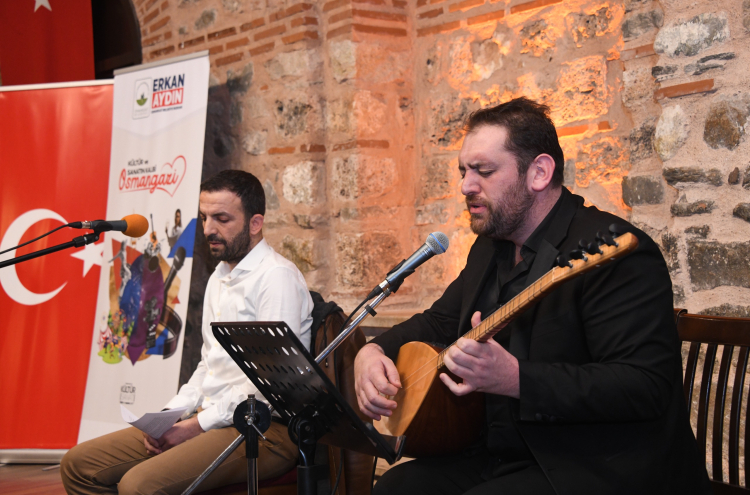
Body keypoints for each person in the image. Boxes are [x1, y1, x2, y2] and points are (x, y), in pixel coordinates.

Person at [354, 98, 711, 495]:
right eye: (463, 171)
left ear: (539, 172)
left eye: (483, 171)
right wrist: (374, 351)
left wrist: (515, 379)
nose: (465, 186)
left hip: (597, 463)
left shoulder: (615, 252)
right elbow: (440, 321)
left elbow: (644, 386)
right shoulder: (491, 247)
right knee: (397, 487)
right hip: (503, 456)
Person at [61, 170, 313, 494]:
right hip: (211, 415)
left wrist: (196, 426)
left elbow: (270, 384)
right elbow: (209, 364)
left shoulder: (276, 278)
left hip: (263, 428)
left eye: (222, 218)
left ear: (255, 223)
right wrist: (171, 414)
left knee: (138, 486)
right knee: (78, 465)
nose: (208, 229)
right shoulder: (219, 276)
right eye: (204, 217)